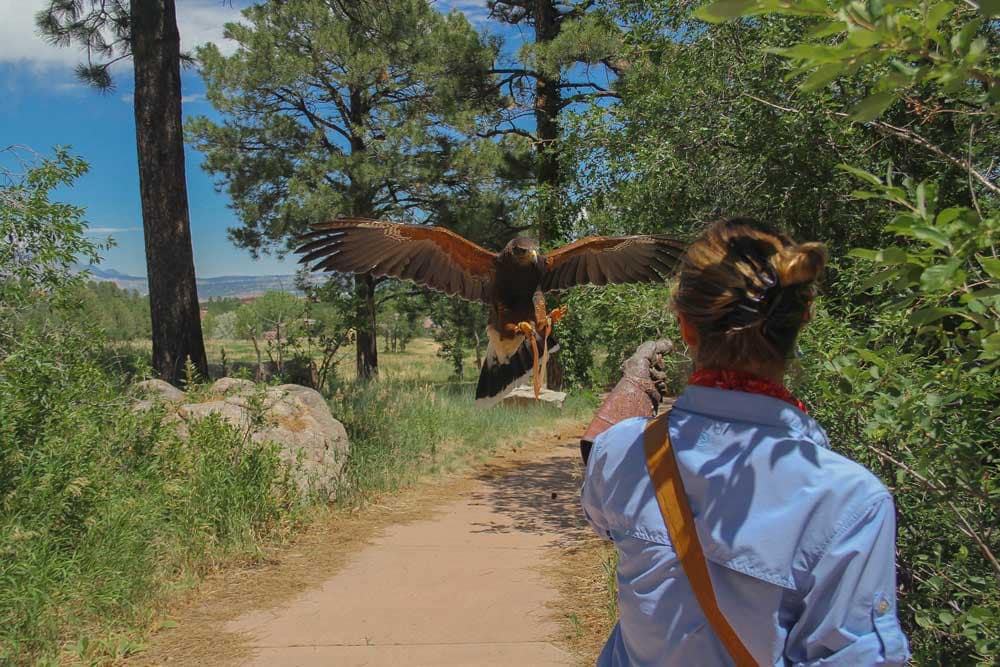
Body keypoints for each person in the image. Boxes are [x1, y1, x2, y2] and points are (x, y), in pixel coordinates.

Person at [580, 218, 910, 666]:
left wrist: (631, 395)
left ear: (685, 326)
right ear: (803, 318)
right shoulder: (848, 502)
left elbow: (600, 515)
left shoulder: (620, 450)